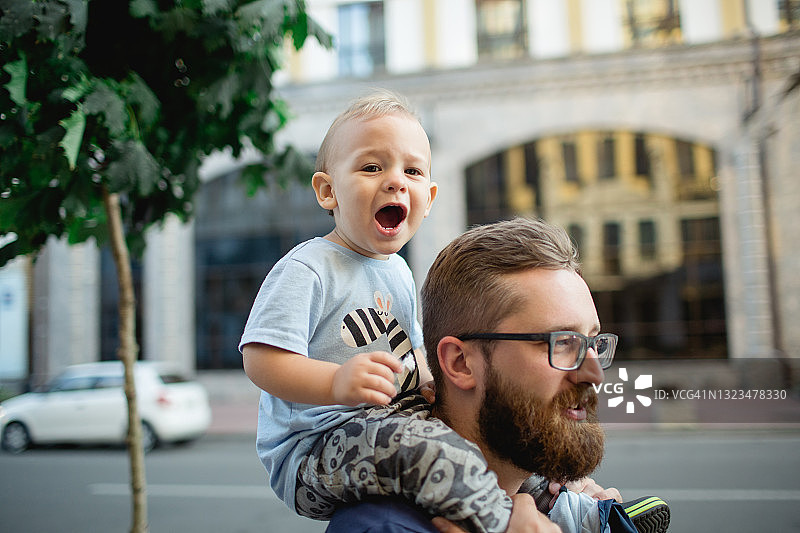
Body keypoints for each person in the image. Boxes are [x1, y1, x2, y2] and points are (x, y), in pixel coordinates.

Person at [240, 90, 536, 532]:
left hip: (393, 424)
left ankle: (582, 509)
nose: (396, 180)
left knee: (500, 429)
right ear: (327, 191)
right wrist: (336, 381)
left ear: (429, 197)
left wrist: (430, 378)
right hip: (317, 447)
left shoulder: (397, 270)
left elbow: (414, 351)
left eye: (412, 170)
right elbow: (260, 360)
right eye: (372, 167)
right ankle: (504, 523)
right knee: (427, 445)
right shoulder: (308, 269)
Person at [326, 217, 670, 533]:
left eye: (593, 342)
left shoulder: (540, 511)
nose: (593, 373)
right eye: (561, 342)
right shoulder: (385, 528)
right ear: (461, 363)